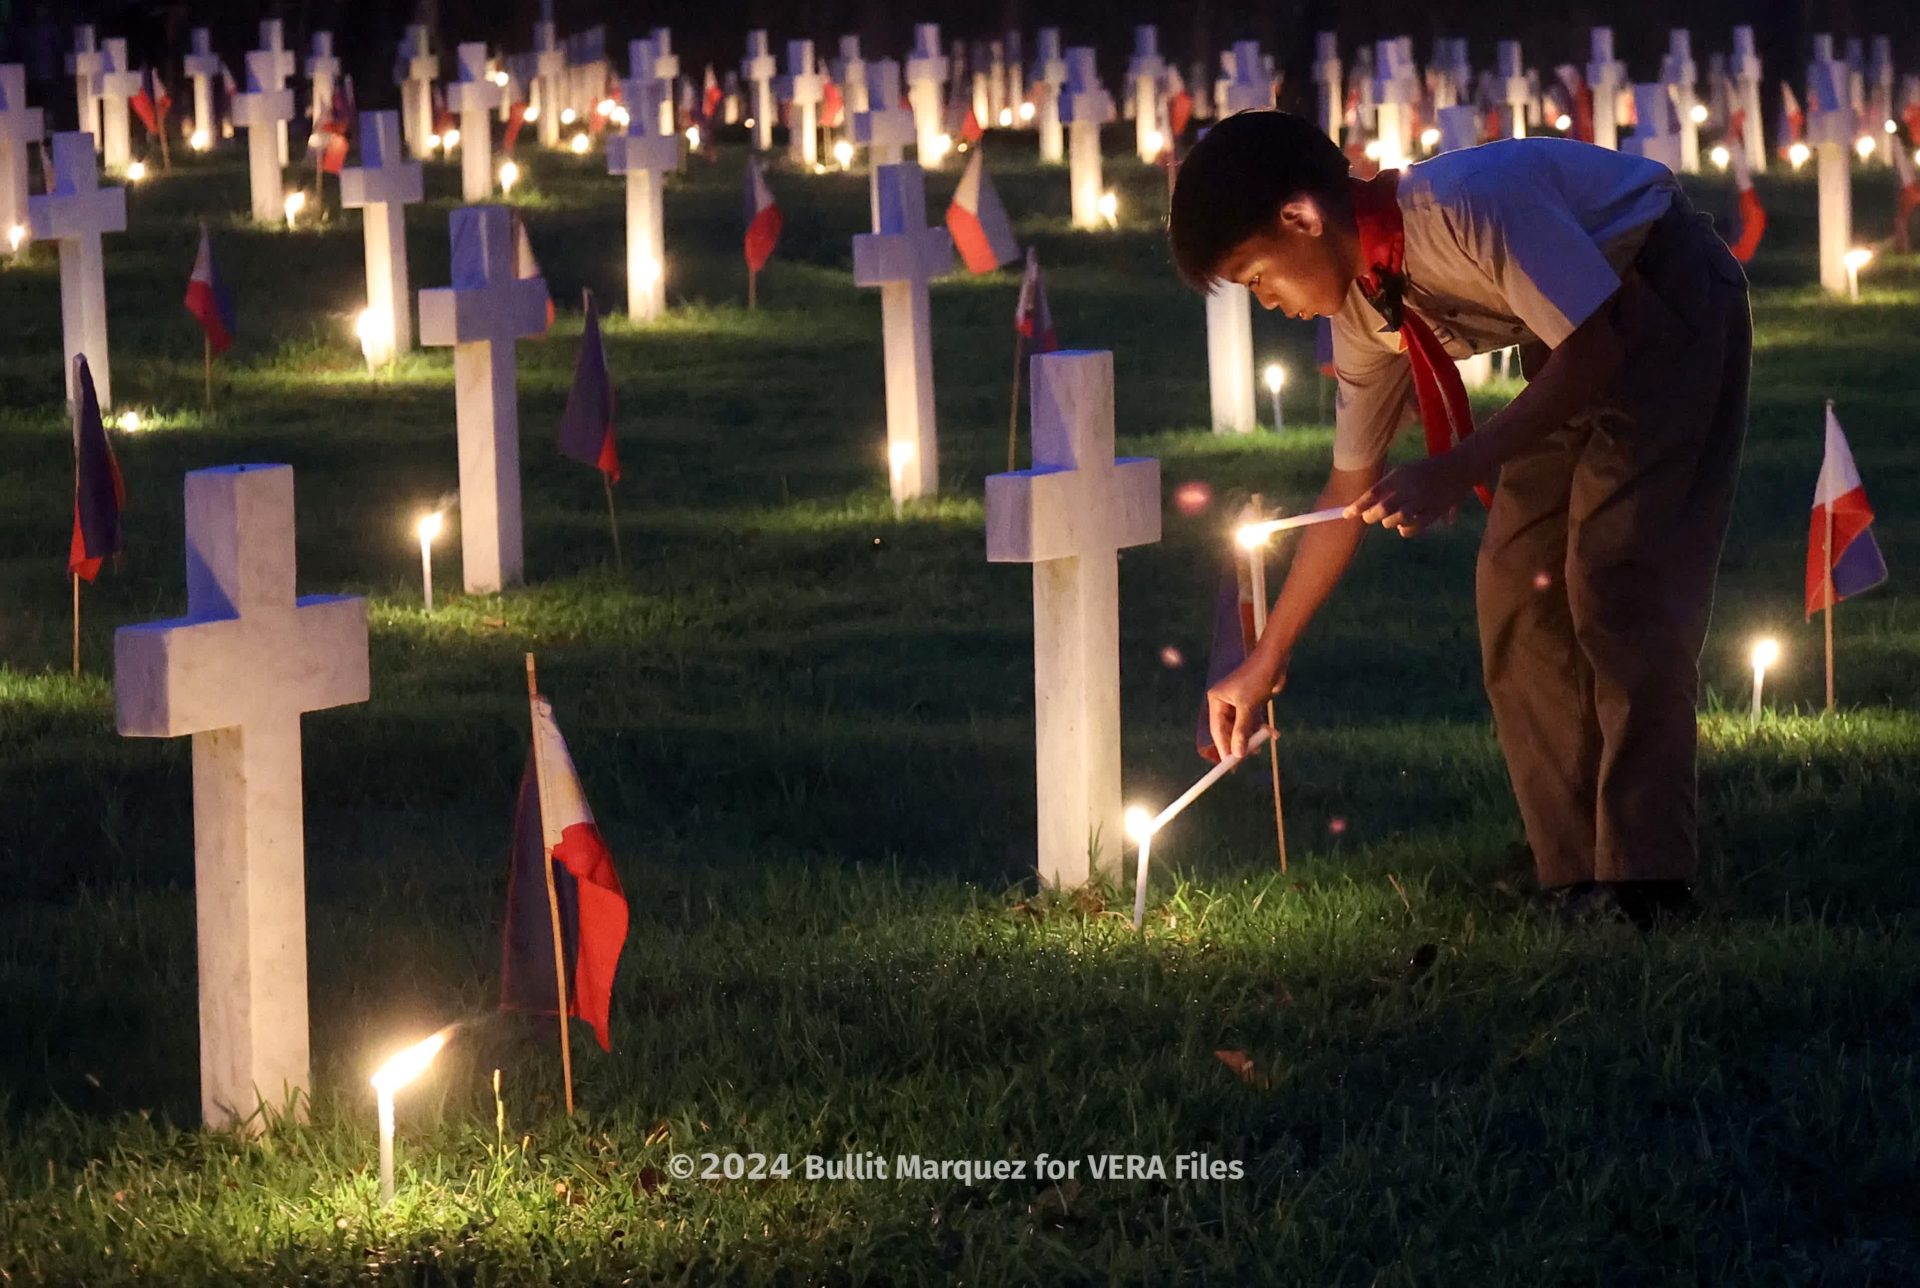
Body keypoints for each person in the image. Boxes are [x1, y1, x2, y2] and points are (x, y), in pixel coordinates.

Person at [1169, 110, 1751, 928]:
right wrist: (1266, 658)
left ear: (1300, 219)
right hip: (1571, 339)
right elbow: (1346, 489)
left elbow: (1599, 351)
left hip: (1664, 297)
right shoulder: (1367, 313)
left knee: (1615, 578)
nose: (1269, 302)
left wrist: (1460, 467)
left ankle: (1645, 881)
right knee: (1514, 580)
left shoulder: (1466, 207)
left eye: (1259, 276)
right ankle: (1575, 869)